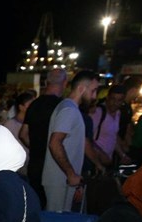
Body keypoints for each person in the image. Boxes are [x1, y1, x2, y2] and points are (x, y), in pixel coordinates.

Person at [41, 70, 99, 212]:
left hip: (63, 181)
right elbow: (55, 143)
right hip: (59, 181)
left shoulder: (69, 108)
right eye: (93, 91)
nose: (95, 96)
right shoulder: (69, 110)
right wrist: (71, 174)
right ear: (81, 88)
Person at [20, 69, 69, 208]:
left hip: (35, 164)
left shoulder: (34, 104)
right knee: (54, 209)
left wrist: (36, 146)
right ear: (64, 83)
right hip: (54, 166)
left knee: (36, 205)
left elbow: (23, 134)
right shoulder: (62, 107)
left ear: (46, 82)